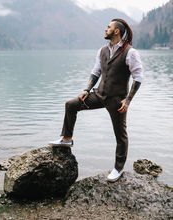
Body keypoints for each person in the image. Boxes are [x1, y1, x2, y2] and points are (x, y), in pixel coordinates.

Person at [49, 18, 143, 182]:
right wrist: (86, 90)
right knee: (71, 104)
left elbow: (138, 78)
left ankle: (118, 168)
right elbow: (96, 72)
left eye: (108, 27)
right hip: (99, 95)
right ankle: (67, 139)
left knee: (120, 134)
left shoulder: (130, 52)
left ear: (116, 31)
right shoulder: (102, 50)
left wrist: (127, 101)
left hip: (117, 100)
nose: (105, 29)